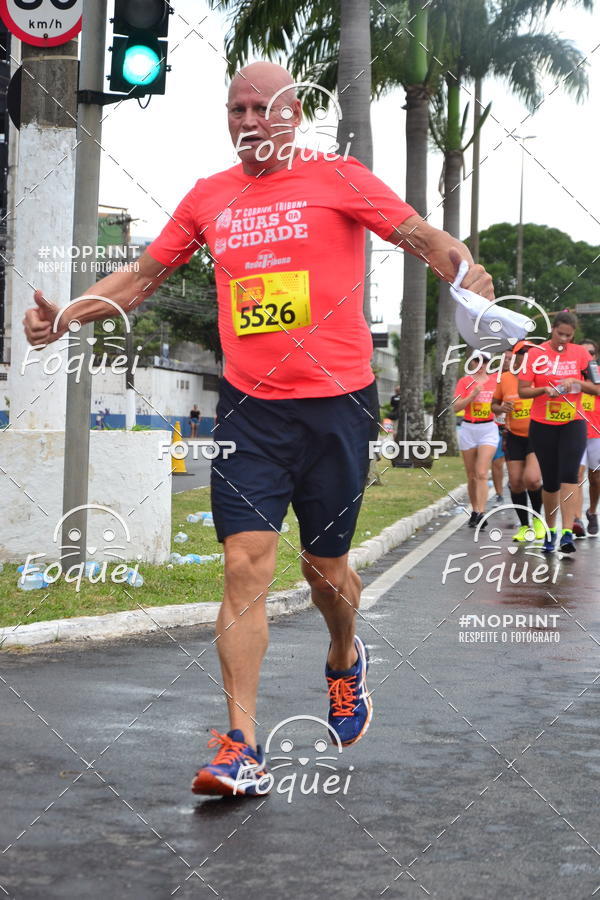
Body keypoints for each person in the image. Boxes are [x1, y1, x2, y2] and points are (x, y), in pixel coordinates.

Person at [23, 61, 494, 797]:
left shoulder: (339, 178)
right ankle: (241, 744)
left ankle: (344, 657)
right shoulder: (210, 197)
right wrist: (68, 318)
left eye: (259, 108)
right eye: (235, 109)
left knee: (324, 572)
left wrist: (465, 274)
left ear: (293, 112)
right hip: (252, 409)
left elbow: (420, 236)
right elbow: (141, 279)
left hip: (339, 405)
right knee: (245, 564)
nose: (246, 121)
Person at [518, 311, 600, 554]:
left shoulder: (582, 355)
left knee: (570, 475)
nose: (563, 339)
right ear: (551, 330)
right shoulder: (535, 353)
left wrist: (575, 383)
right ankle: (550, 531)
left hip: (573, 422)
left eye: (568, 335)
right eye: (559, 334)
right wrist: (544, 389)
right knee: (551, 481)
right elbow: (523, 391)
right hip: (542, 424)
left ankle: (566, 533)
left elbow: (596, 388)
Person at [491, 343, 544, 542]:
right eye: (522, 354)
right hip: (513, 435)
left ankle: (538, 520)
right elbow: (493, 406)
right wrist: (502, 407)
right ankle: (524, 526)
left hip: (537, 434)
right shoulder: (504, 378)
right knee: (515, 483)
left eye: (529, 354)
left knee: (532, 479)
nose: (526, 357)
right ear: (515, 357)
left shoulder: (538, 377)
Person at [452, 353, 499, 528]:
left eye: (485, 361)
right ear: (471, 362)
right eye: (477, 360)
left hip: (488, 428)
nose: (481, 364)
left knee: (481, 472)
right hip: (469, 428)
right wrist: (472, 395)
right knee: (471, 475)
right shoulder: (464, 382)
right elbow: (456, 407)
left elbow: (501, 403)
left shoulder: (495, 381)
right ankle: (475, 510)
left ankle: (481, 512)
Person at [575, 338, 600, 536]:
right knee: (576, 476)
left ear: (596, 356)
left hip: (597, 434)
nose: (587, 356)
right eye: (583, 352)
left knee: (596, 479)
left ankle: (592, 512)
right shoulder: (570, 374)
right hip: (574, 431)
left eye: (591, 353)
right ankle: (576, 520)